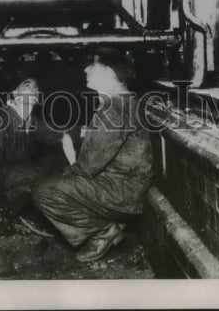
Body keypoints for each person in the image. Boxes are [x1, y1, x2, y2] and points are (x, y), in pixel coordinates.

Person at [33, 51, 153, 262]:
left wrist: (68, 169)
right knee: (58, 174)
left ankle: (103, 232)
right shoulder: (123, 102)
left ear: (109, 72)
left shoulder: (113, 109)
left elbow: (88, 166)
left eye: (93, 65)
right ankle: (107, 225)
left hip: (121, 191)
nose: (86, 69)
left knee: (44, 190)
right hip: (126, 184)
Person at [0, 76, 75, 236]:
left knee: (57, 162)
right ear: (15, 94)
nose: (33, 89)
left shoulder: (30, 121)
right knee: (39, 174)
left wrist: (75, 168)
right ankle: (0, 209)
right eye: (27, 85)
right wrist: (1, 205)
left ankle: (29, 206)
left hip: (14, 173)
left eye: (36, 88)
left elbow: (63, 137)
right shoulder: (0, 121)